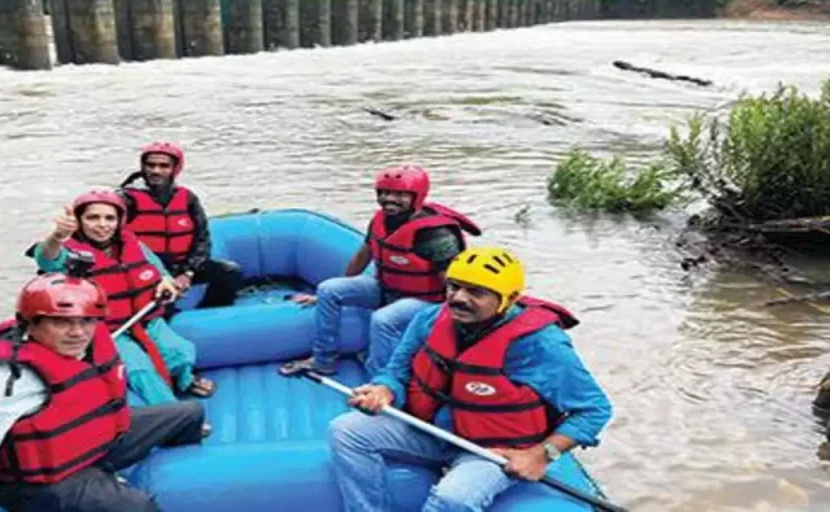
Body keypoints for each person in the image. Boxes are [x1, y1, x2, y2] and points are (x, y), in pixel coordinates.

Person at [327, 246, 613, 511]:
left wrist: (542, 454)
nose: (459, 298)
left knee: (454, 498)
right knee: (347, 430)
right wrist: (384, 390)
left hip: (491, 451)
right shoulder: (429, 319)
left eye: (476, 292)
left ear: (509, 298)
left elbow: (594, 409)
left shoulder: (540, 345)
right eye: (454, 286)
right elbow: (396, 371)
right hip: (431, 432)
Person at [0, 273, 206, 512]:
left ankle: (189, 464)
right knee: (139, 508)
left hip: (95, 440)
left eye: (86, 321)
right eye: (61, 322)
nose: (78, 333)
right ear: (30, 323)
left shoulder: (92, 341)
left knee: (189, 412)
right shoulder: (1, 383)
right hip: (40, 482)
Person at [280, 165, 481, 377]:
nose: (389, 199)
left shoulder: (434, 234)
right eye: (384, 193)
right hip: (386, 288)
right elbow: (362, 256)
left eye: (400, 195)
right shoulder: (379, 220)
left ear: (416, 197)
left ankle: (381, 380)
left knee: (383, 319)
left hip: (425, 300)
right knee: (328, 289)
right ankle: (323, 360)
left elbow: (452, 279)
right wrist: (336, 290)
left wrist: (457, 318)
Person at [32, 189, 216, 402]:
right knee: (139, 369)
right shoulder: (69, 254)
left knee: (180, 351)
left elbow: (158, 269)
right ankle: (172, 410)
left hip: (145, 319)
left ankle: (185, 380)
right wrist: (57, 236)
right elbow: (46, 258)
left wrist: (165, 281)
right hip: (107, 329)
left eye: (109, 218)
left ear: (119, 221)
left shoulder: (134, 244)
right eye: (93, 218)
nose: (102, 225)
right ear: (79, 221)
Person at [119, 141, 244, 310]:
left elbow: (201, 240)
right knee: (165, 304)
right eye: (150, 165)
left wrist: (187, 273)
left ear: (175, 169)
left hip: (181, 267)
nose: (156, 171)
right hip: (144, 269)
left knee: (229, 271)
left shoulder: (187, 198)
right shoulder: (127, 199)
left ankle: (207, 313)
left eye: (164, 166)